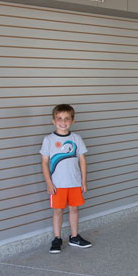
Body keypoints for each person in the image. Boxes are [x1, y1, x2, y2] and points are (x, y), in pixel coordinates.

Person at [39, 104, 92, 253]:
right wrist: (49, 183)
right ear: (53, 121)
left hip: (74, 182)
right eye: (59, 118)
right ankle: (57, 238)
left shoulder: (76, 138)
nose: (63, 122)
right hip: (57, 185)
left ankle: (74, 237)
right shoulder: (49, 140)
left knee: (74, 209)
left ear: (73, 121)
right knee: (58, 211)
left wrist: (83, 181)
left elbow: (82, 160)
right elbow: (44, 162)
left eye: (67, 119)